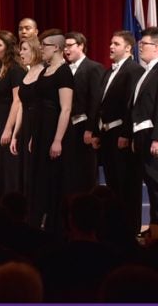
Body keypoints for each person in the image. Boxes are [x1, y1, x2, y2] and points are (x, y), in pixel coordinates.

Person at [91, 31, 144, 235]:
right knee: (113, 185)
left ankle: (130, 228)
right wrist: (96, 131)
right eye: (110, 43)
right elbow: (100, 103)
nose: (111, 47)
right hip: (107, 135)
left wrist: (126, 134)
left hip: (120, 135)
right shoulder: (107, 71)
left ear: (128, 48)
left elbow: (131, 105)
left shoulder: (134, 70)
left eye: (116, 43)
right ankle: (115, 228)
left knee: (126, 185)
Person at [31, 30, 73, 232]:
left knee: (51, 177)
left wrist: (57, 140)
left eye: (44, 45)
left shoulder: (64, 72)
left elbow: (65, 108)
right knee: (38, 177)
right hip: (40, 130)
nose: (41, 48)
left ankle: (52, 223)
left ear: (56, 47)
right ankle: (37, 220)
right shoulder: (43, 71)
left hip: (53, 129)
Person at [0, 31, 25, 204]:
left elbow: (17, 100)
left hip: (8, 121)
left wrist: (8, 129)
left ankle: (10, 209)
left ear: (8, 48)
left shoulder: (16, 70)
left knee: (8, 169)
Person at [64, 31, 104, 194]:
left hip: (84, 128)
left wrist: (90, 129)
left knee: (85, 172)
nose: (66, 49)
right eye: (64, 46)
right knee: (70, 173)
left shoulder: (93, 68)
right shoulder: (64, 69)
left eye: (70, 45)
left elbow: (95, 101)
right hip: (67, 128)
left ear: (81, 46)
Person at [131, 26, 158, 241]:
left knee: (156, 185)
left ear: (156, 47)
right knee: (150, 184)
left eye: (144, 44)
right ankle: (154, 229)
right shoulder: (147, 71)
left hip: (152, 136)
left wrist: (157, 138)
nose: (140, 48)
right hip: (141, 135)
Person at [11, 37, 44, 198]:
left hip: (37, 125)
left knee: (36, 171)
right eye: (20, 49)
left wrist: (34, 135)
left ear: (35, 50)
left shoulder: (43, 71)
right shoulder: (27, 72)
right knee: (24, 171)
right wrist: (15, 134)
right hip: (25, 125)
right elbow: (21, 107)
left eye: (24, 49)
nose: (21, 52)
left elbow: (41, 106)